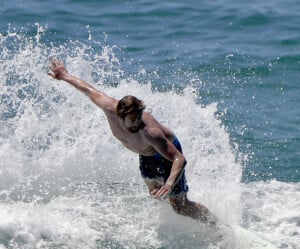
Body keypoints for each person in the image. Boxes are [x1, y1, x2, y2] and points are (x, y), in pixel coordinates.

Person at [48, 58, 215, 223]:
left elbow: (179, 159)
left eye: (139, 118)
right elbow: (89, 90)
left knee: (180, 206)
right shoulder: (109, 108)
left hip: (163, 153)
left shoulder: (150, 132)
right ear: (121, 115)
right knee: (155, 195)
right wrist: (64, 75)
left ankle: (214, 224)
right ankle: (173, 226)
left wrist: (170, 183)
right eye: (133, 120)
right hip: (146, 154)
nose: (137, 123)